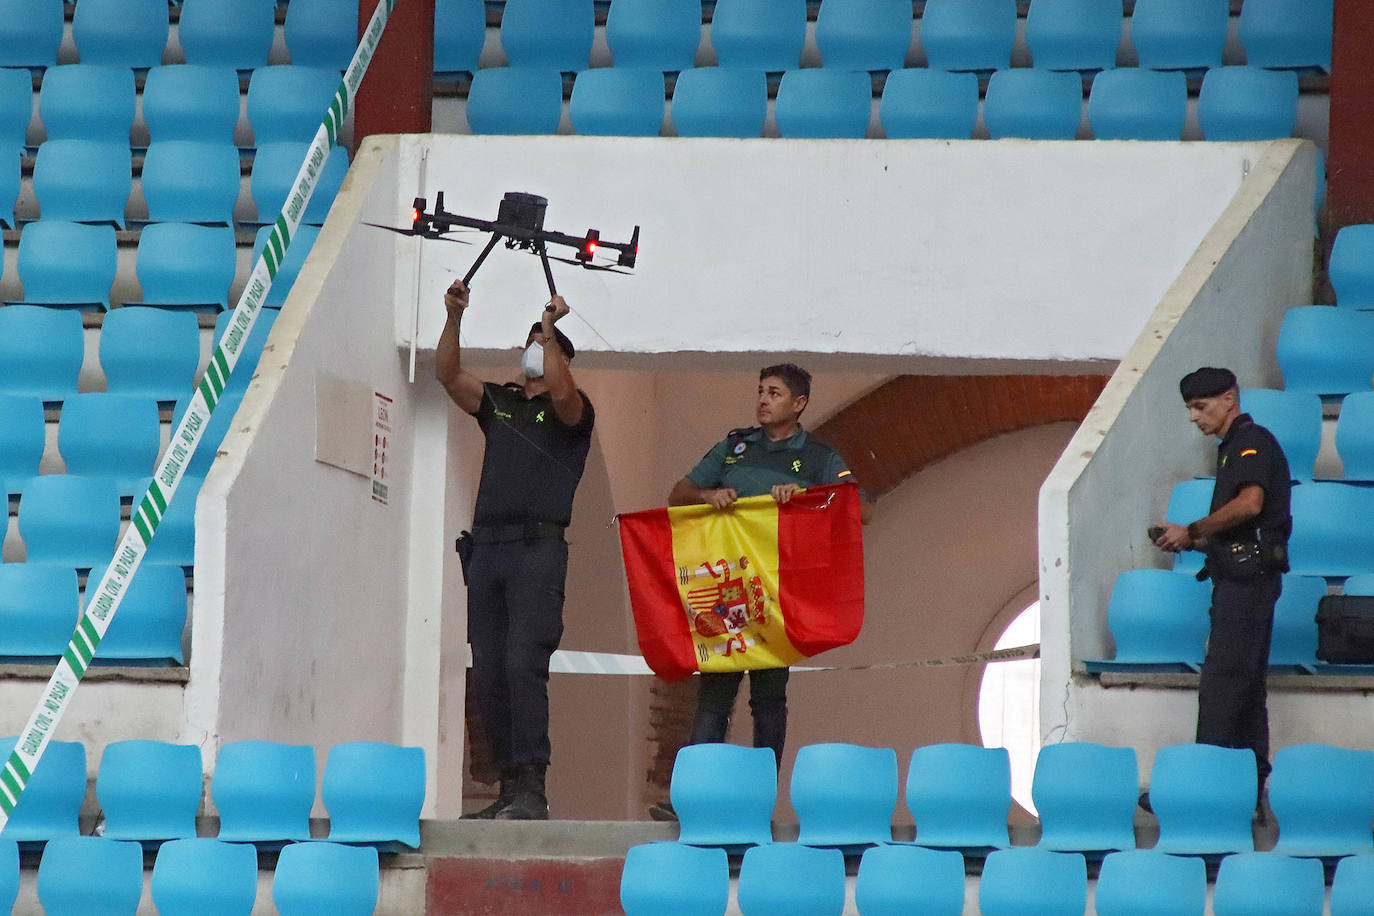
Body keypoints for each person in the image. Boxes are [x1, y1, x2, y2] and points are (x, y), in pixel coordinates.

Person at [651, 364, 858, 820]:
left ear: (799, 404)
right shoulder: (734, 447)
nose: (763, 400)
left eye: (775, 393)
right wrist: (709, 498)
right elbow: (678, 494)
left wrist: (803, 498)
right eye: (761, 391)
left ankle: (757, 804)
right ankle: (691, 801)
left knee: (768, 700)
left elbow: (854, 512)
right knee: (714, 695)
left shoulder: (820, 456)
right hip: (727, 590)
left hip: (778, 597)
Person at [435, 279, 595, 820]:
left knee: (524, 663)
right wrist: (454, 317)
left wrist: (551, 331)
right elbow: (449, 377)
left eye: (544, 344)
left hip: (536, 553)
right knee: (490, 668)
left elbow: (565, 394)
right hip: (489, 553)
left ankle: (532, 787)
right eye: (530, 340)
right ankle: (508, 786)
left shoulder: (573, 414)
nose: (533, 347)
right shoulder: (500, 403)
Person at [1152, 366, 1291, 807]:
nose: (1194, 417)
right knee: (1245, 689)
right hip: (1242, 578)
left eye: (1201, 406)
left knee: (1223, 684)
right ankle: (1244, 790)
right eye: (1190, 408)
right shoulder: (1231, 448)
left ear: (1229, 399)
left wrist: (1193, 528)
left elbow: (1251, 505)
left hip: (1247, 583)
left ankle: (1203, 786)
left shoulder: (1251, 442)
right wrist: (1193, 539)